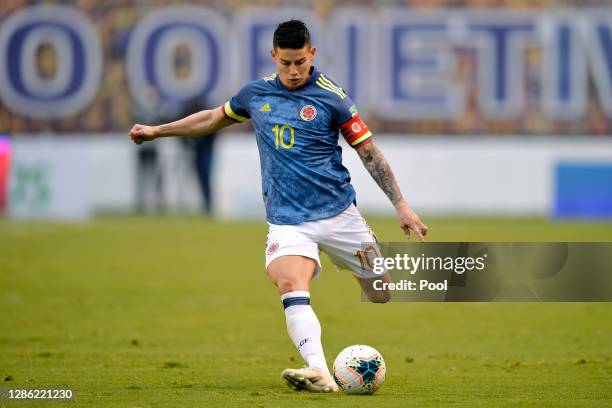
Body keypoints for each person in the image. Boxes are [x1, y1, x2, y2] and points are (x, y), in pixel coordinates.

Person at [129, 19, 428, 393]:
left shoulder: (333, 98)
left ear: (312, 54)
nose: (292, 70)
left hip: (340, 216)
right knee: (289, 283)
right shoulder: (255, 95)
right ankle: (318, 370)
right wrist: (157, 131)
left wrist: (401, 204)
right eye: (285, 62)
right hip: (288, 222)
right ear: (273, 56)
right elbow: (210, 119)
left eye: (300, 62)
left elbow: (368, 152)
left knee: (380, 291)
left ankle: (348, 263)